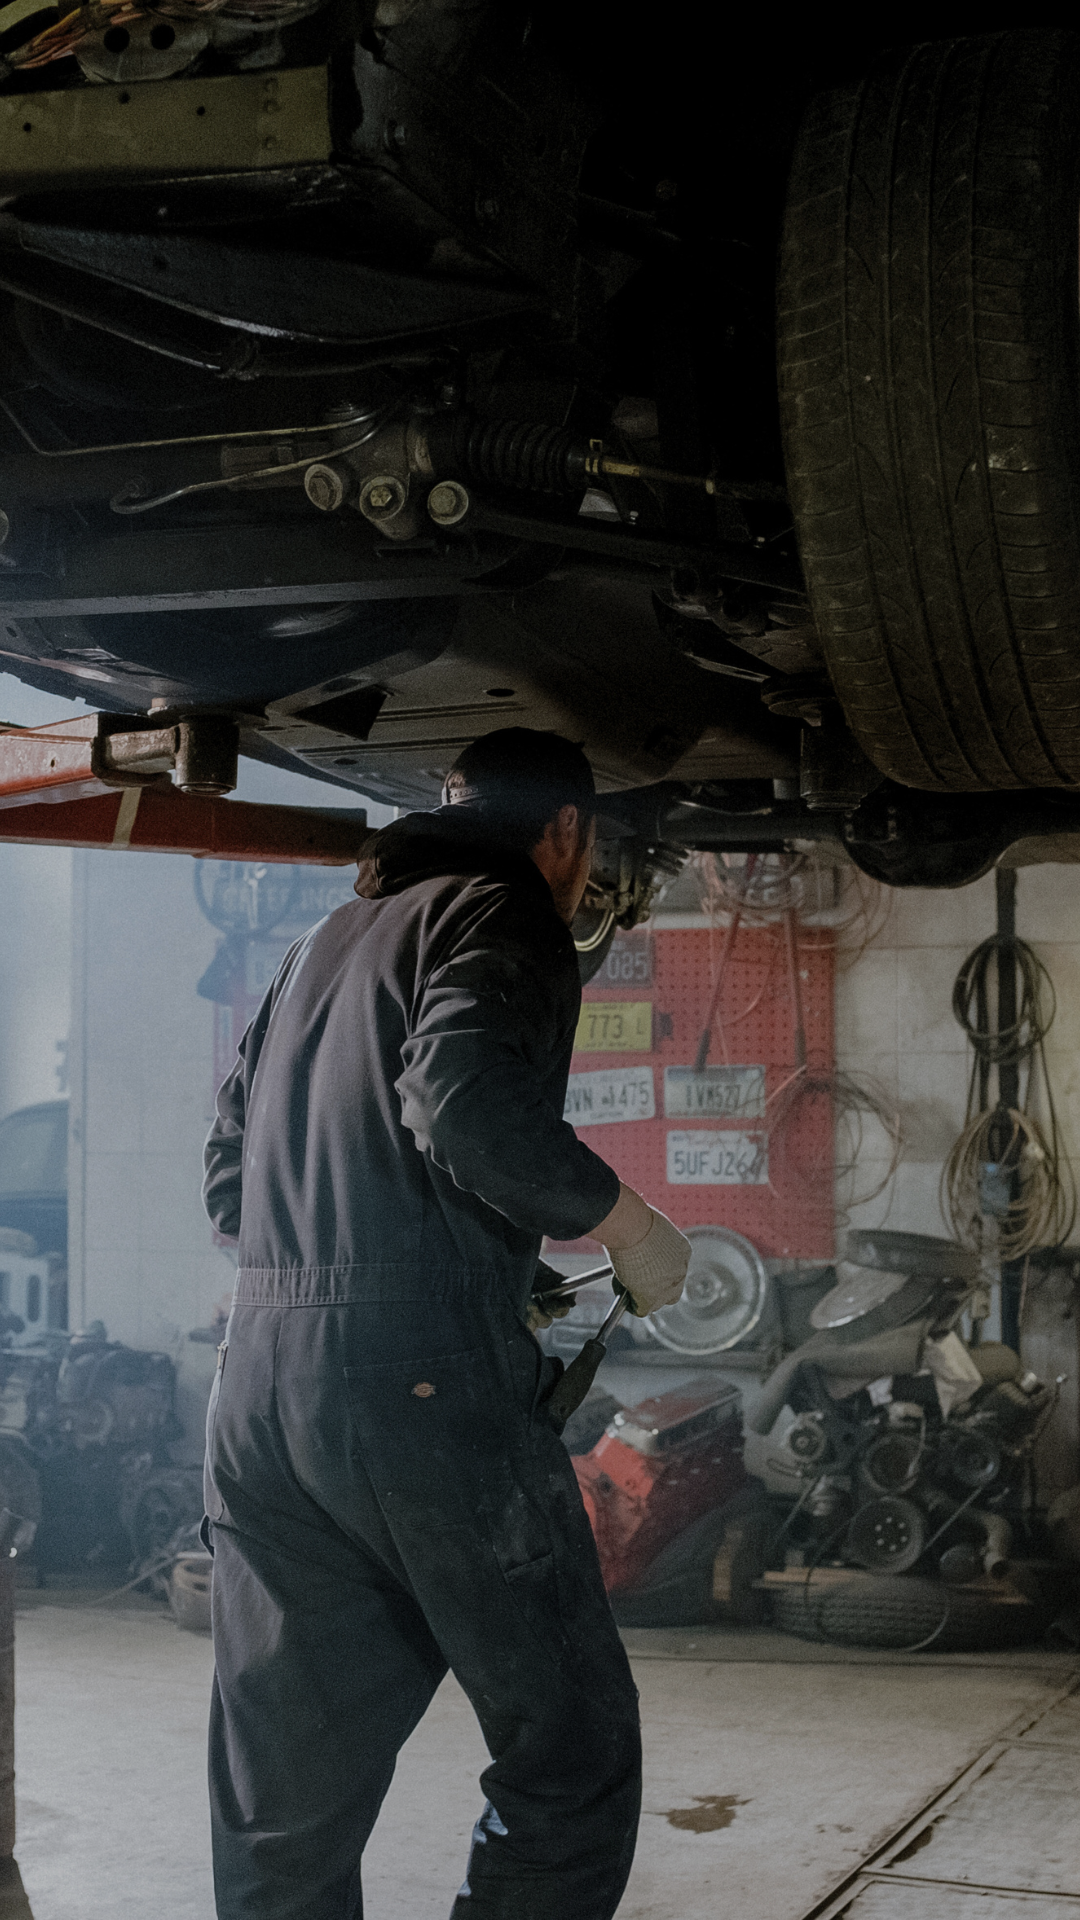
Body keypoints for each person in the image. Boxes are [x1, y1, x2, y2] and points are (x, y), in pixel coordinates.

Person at [201, 727, 692, 1920]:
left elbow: (229, 1176)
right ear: (566, 833)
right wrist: (624, 1224)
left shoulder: (320, 942)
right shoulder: (504, 908)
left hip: (259, 1388)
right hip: (419, 1397)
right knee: (567, 1752)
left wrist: (422, 1261)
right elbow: (464, 1104)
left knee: (286, 1786)